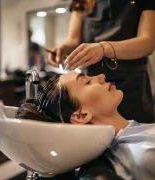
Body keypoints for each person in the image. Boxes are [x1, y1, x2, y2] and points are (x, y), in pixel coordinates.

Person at [16, 72, 155, 180]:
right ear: (80, 116)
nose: (101, 76)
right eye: (87, 82)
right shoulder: (145, 153)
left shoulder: (135, 136)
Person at [48, 0, 155, 123]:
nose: (103, 77)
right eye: (85, 82)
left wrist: (104, 48)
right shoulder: (81, 2)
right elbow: (73, 40)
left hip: (133, 87)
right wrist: (64, 48)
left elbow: (148, 42)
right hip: (93, 92)